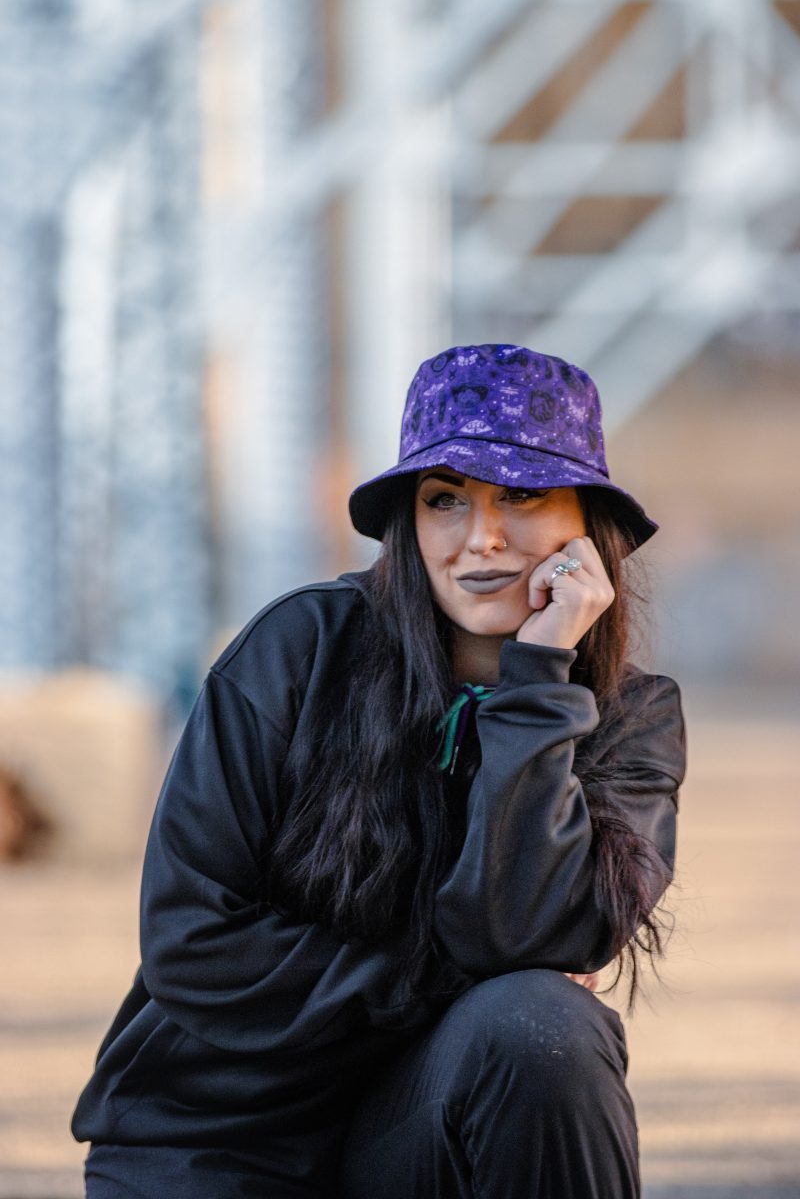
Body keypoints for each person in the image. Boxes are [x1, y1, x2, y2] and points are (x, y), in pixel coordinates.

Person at [72, 344, 686, 1198]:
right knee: (521, 1003)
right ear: (409, 522)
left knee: (543, 1027)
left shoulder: (629, 716)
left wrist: (539, 684)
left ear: (589, 525)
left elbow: (530, 946)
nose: (482, 538)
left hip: (418, 1139)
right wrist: (442, 974)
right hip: (215, 1143)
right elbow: (193, 937)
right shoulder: (299, 651)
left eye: (521, 494)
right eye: (445, 500)